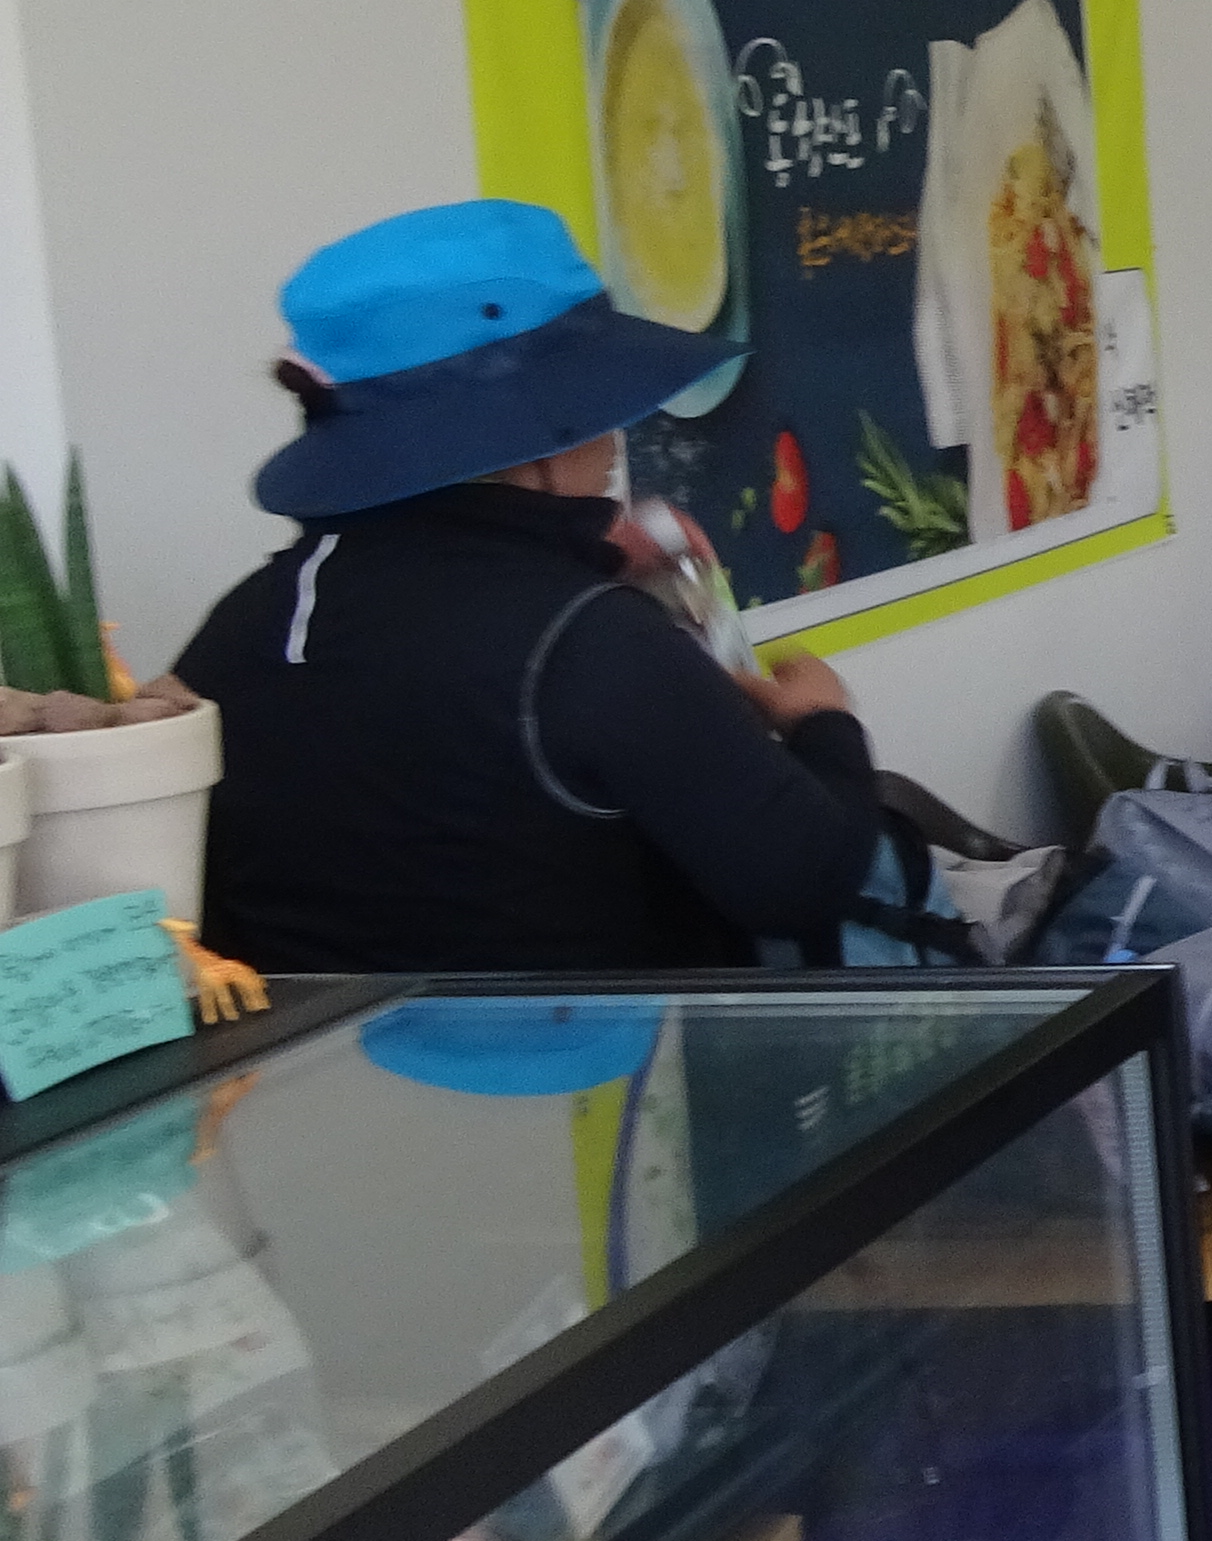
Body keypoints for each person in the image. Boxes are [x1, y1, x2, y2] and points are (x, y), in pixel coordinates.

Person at [175, 201, 889, 974]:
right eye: (595, 409)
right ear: (529, 435)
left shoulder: (240, 629)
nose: (613, 443)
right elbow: (801, 878)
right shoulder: (592, 644)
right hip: (578, 1049)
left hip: (321, 1050)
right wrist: (823, 723)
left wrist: (576, 562)